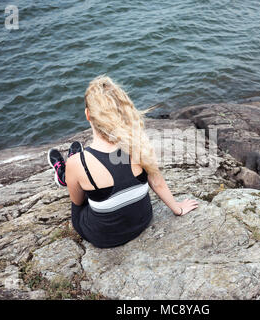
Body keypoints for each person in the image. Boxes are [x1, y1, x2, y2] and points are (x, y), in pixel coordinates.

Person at [47, 75, 198, 248]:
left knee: (81, 186)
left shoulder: (79, 163)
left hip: (104, 238)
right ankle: (72, 173)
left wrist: (80, 167)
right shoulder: (138, 145)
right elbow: (158, 183)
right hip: (143, 221)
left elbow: (78, 201)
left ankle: (63, 175)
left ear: (88, 115)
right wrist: (178, 209)